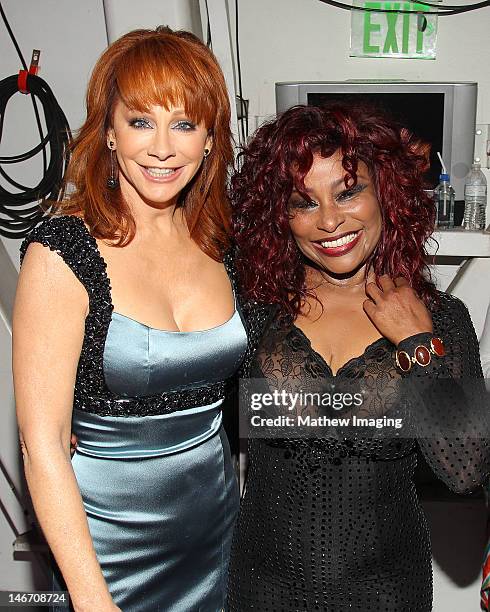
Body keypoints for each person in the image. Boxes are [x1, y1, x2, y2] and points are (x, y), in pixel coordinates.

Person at [13, 27, 266, 612]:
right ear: (108, 132)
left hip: (216, 533)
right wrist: (91, 599)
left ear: (209, 140)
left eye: (183, 124)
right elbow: (43, 445)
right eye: (140, 121)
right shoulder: (63, 252)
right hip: (106, 551)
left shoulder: (223, 243)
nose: (161, 147)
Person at [227, 103, 489, 611]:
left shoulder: (440, 319)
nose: (329, 221)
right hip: (264, 590)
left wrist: (417, 346)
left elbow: (466, 470)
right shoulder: (253, 311)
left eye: (348, 192)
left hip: (385, 593)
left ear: (384, 193)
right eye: (304, 203)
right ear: (280, 215)